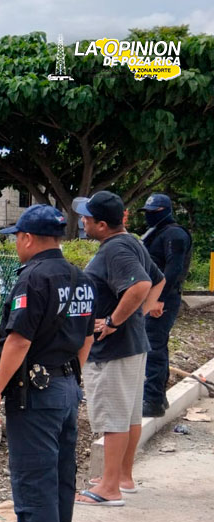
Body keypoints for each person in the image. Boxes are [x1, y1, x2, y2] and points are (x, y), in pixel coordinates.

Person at [0, 205, 95, 522]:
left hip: (37, 393)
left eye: (16, 237)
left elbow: (19, 340)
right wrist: (73, 379)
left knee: (34, 481)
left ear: (28, 238)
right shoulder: (80, 278)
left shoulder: (33, 279)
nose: (16, 244)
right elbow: (87, 337)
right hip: (66, 386)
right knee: (62, 477)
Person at [76, 191, 164, 505]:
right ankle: (122, 477)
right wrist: (137, 315)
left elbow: (140, 285)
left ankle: (109, 489)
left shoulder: (115, 248)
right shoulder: (132, 242)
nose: (83, 221)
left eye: (87, 217)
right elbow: (158, 280)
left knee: (114, 417)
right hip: (132, 344)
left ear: (102, 224)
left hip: (114, 348)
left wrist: (113, 321)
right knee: (128, 416)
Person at [139, 193, 193, 417]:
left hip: (163, 299)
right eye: (148, 213)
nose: (150, 217)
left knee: (153, 347)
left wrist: (158, 299)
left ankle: (152, 400)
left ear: (165, 211)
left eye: (154, 213)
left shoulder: (175, 235)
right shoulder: (157, 233)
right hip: (154, 297)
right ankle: (158, 398)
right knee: (156, 345)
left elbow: (174, 269)